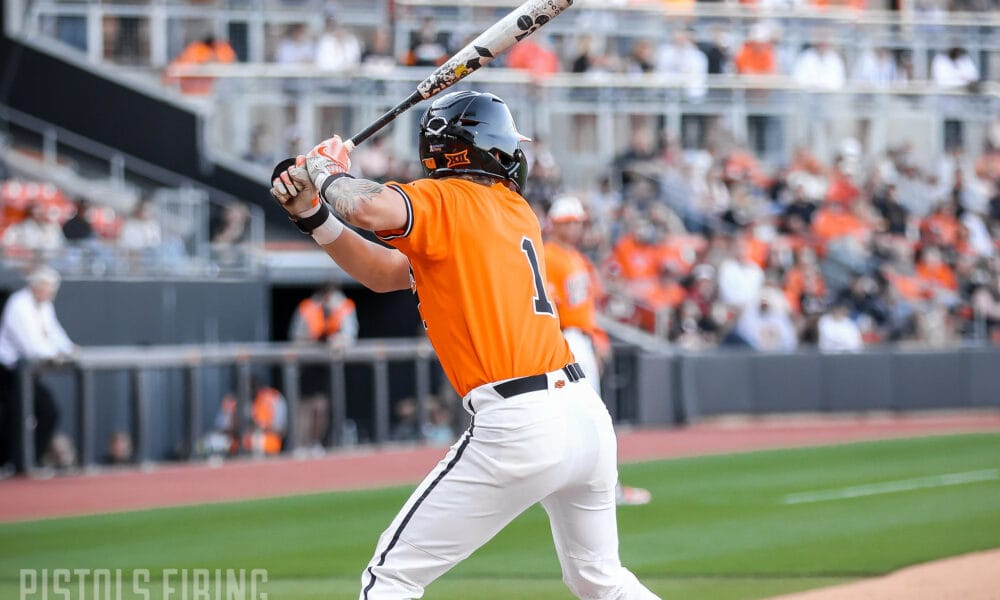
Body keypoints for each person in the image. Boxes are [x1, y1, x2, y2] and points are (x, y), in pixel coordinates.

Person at [271, 90, 658, 599]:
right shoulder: (512, 210)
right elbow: (385, 273)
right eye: (502, 145)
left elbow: (366, 207)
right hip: (584, 415)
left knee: (390, 579)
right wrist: (314, 216)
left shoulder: (450, 201)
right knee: (600, 579)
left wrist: (325, 170)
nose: (510, 154)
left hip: (520, 420)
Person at [543, 195, 653, 507]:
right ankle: (598, 487)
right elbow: (550, 307)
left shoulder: (577, 257)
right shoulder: (548, 255)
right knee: (583, 417)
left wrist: (598, 337)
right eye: (569, 223)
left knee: (589, 417)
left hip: (581, 337)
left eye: (578, 223)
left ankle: (596, 485)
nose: (575, 228)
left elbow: (588, 306)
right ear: (556, 225)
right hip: (564, 338)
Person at [0, 266, 75, 473]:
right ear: (36, 286)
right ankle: (13, 462)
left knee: (46, 412)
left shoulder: (44, 306)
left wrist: (69, 348)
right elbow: (31, 345)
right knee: (18, 415)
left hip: (26, 374)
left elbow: (54, 332)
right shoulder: (19, 305)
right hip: (8, 372)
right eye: (48, 287)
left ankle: (29, 459)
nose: (51, 293)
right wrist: (54, 354)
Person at [288, 285, 357, 450]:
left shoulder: (343, 306)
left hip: (329, 363)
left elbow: (350, 334)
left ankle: (315, 443)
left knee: (322, 406)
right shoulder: (308, 307)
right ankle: (301, 444)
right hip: (308, 363)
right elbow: (296, 336)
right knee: (305, 406)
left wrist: (339, 340)